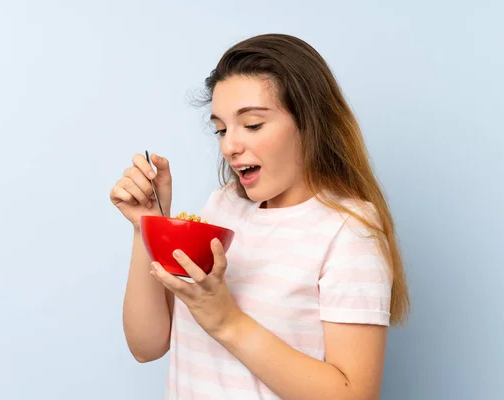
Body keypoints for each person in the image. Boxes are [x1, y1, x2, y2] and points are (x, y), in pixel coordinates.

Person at [110, 33, 410, 400]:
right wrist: (148, 227)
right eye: (221, 128)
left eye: (252, 125)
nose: (229, 146)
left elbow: (354, 394)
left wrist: (227, 322)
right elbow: (147, 346)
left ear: (310, 124)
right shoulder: (223, 207)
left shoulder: (349, 231)